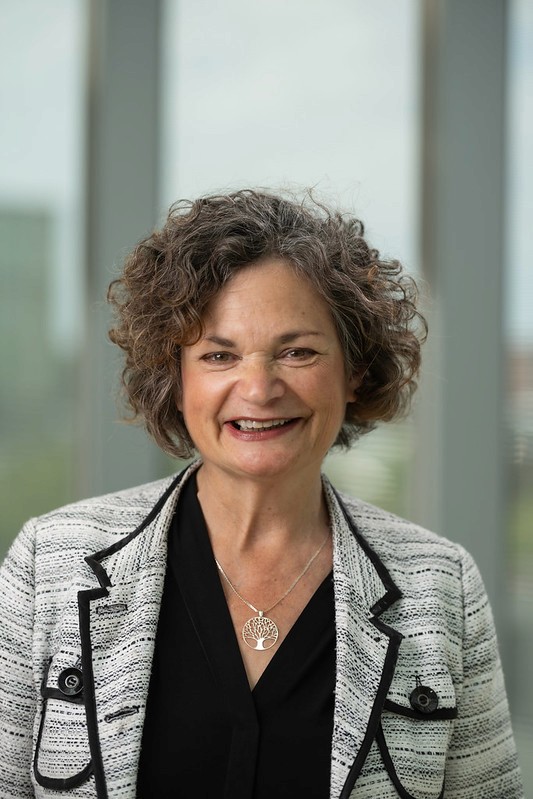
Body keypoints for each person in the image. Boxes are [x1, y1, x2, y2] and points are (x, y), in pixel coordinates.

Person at [0, 189, 523, 799]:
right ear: (176, 379)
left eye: (297, 352)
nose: (259, 387)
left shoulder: (441, 588)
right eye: (219, 355)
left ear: (354, 372)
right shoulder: (50, 564)